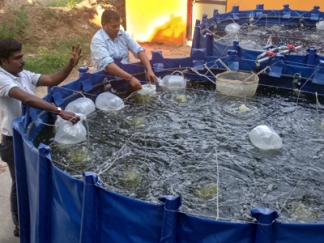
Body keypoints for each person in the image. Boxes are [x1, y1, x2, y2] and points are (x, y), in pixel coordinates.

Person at [0, 38, 82, 237]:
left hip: (27, 137)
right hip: (13, 141)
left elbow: (52, 80)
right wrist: (59, 111)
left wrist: (70, 64)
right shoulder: (2, 79)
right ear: (3, 61)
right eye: (17, 58)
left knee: (28, 181)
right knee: (18, 184)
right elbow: (27, 98)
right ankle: (19, 224)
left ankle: (30, 213)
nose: (22, 61)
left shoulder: (23, 74)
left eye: (22, 56)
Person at [90, 9, 156, 91]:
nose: (117, 29)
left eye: (119, 25)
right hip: (106, 83)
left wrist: (149, 69)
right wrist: (131, 78)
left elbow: (139, 50)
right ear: (104, 25)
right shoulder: (98, 40)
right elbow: (108, 65)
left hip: (126, 78)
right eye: (114, 26)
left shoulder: (123, 34)